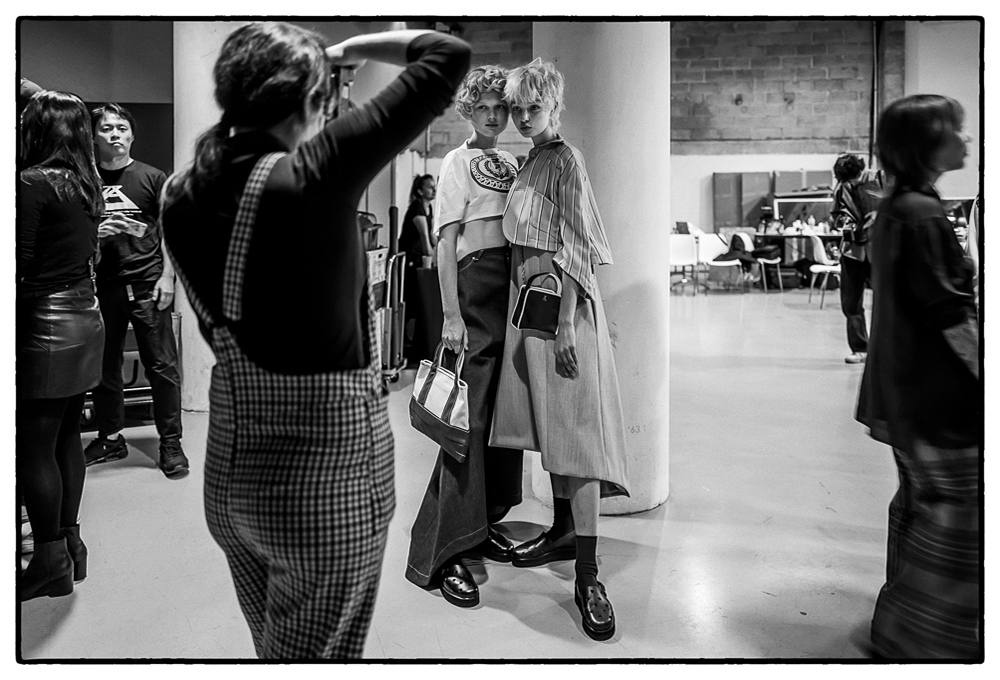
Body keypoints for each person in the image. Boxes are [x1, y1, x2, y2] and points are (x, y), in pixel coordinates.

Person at [160, 22, 470, 658]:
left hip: (232, 476)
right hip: (322, 483)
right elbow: (447, 54)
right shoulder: (314, 173)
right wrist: (348, 51)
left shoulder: (179, 192)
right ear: (309, 98)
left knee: (276, 649)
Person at [491, 59, 630, 641]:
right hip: (531, 305)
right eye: (516, 108)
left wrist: (570, 322)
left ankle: (589, 577)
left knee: (577, 436)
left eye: (534, 108)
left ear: (554, 107)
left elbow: (580, 243)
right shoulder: (532, 161)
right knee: (552, 428)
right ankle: (563, 532)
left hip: (558, 308)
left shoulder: (566, 160)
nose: (523, 117)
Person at [856, 94, 980, 659]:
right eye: (956, 129)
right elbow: (951, 316)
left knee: (921, 505)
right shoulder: (922, 214)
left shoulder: (896, 207)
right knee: (958, 517)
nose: (966, 139)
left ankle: (899, 622)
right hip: (937, 398)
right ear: (927, 143)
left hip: (905, 394)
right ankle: (923, 639)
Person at [405, 65, 523, 607]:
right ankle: (442, 550)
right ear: (469, 112)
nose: (494, 116)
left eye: (501, 108)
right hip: (474, 288)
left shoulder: (513, 163)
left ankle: (480, 524)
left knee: (498, 417)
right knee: (464, 424)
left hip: (509, 290)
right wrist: (450, 315)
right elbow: (446, 241)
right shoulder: (456, 160)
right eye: (484, 108)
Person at [17, 90, 106, 601]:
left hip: (47, 324)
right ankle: (71, 545)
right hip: (85, 315)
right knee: (67, 434)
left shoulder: (32, 182)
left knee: (35, 446)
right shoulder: (86, 183)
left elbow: (20, 265)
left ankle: (49, 561)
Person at [83, 103, 188, 477]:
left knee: (162, 366)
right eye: (106, 128)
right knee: (104, 367)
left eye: (122, 128)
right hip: (101, 287)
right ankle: (111, 437)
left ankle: (170, 442)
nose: (115, 134)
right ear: (93, 135)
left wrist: (168, 277)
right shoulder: (85, 180)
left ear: (132, 135)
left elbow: (172, 231)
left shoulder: (152, 177)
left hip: (147, 284)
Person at [831, 153, 883, 364]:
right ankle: (860, 348)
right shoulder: (842, 187)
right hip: (852, 252)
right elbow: (836, 215)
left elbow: (897, 208)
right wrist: (845, 222)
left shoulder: (881, 180)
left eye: (854, 179)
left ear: (861, 171)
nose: (851, 184)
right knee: (851, 303)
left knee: (884, 302)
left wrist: (878, 216)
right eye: (846, 181)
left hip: (879, 251)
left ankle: (883, 349)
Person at [400, 173, 438, 362]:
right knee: (412, 303)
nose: (434, 190)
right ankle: (407, 345)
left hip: (417, 260)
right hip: (409, 262)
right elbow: (426, 242)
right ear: (420, 191)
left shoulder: (428, 208)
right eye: (430, 187)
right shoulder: (417, 208)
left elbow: (433, 237)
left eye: (434, 186)